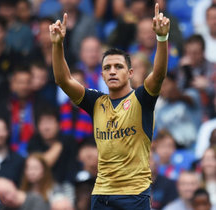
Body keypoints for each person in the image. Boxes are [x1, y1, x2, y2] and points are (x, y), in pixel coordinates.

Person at [49, 3, 170, 209]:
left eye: (118, 67)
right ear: (102, 75)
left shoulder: (141, 99)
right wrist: (58, 44)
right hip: (102, 195)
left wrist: (161, 38)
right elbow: (63, 80)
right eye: (107, 68)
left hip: (134, 195)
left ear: (130, 73)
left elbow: (158, 75)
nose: (112, 71)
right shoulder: (96, 102)